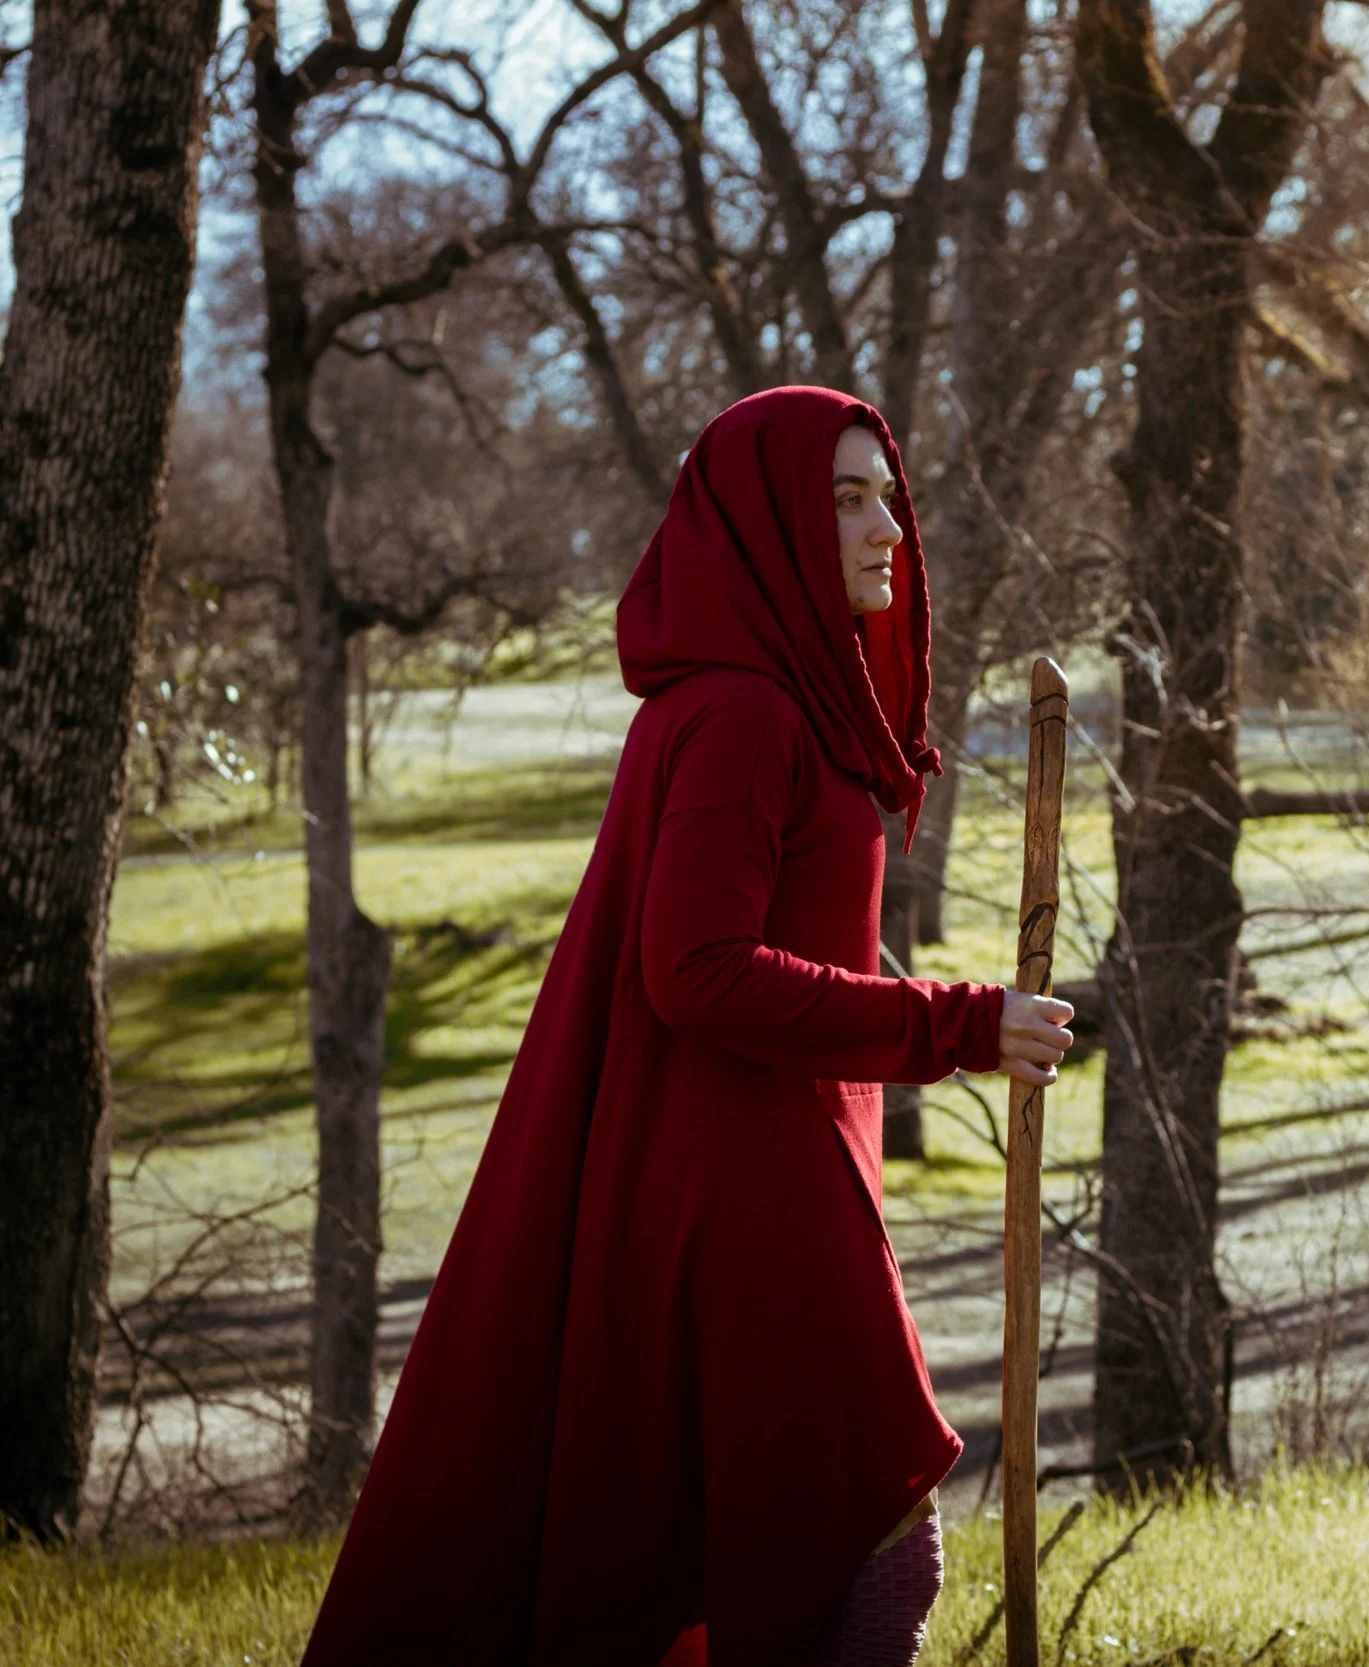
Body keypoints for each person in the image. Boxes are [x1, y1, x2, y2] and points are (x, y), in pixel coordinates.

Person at [300, 386, 1076, 1667]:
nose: (890, 527)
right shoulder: (742, 714)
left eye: (886, 492)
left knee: (802, 1533)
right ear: (765, 520)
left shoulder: (759, 705)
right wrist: (960, 1021)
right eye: (844, 497)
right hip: (751, 1185)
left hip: (765, 1165)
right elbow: (697, 971)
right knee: (869, 1525)